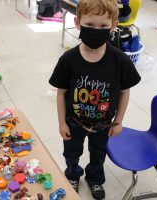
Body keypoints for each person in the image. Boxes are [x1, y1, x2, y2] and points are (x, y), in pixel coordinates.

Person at [49, 0, 141, 199]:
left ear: (113, 26)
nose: (96, 30)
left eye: (103, 26)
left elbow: (125, 92)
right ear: (78, 22)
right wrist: (61, 122)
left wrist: (118, 121)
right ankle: (72, 175)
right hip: (74, 123)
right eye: (90, 25)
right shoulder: (68, 59)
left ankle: (95, 179)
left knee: (98, 155)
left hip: (104, 125)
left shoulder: (120, 61)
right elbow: (61, 91)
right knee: (71, 154)